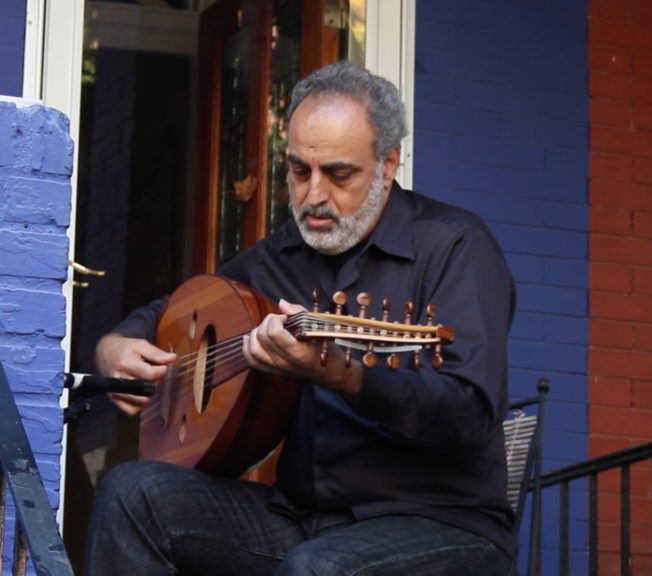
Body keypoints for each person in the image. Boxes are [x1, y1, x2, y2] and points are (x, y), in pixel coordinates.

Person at [85, 60, 517, 575]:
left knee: (316, 570)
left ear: (387, 164)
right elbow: (168, 311)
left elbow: (471, 413)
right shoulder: (277, 260)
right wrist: (116, 344)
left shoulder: (455, 248)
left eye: (339, 174)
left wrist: (346, 377)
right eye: (298, 171)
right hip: (302, 517)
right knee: (133, 494)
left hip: (440, 522)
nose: (314, 195)